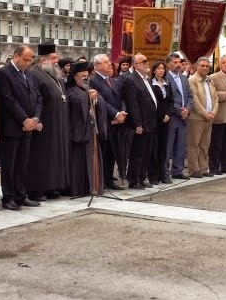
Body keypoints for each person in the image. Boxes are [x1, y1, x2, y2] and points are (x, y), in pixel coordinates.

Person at [0, 45, 41, 210]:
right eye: (25, 60)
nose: (27, 63)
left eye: (30, 61)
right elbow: (8, 99)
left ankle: (21, 195)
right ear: (16, 56)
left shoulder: (29, 73)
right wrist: (24, 120)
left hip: (28, 126)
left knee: (23, 163)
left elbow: (37, 97)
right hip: (12, 126)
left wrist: (35, 118)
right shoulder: (4, 73)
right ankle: (8, 198)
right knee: (9, 164)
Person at [27, 44, 70, 198]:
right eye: (54, 58)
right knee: (41, 158)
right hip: (44, 124)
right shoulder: (35, 74)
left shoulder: (54, 75)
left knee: (55, 156)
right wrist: (36, 119)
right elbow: (34, 100)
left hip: (57, 123)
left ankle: (52, 186)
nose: (56, 61)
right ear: (43, 60)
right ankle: (37, 189)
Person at [88, 54, 127, 190]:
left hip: (117, 122)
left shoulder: (114, 81)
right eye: (105, 62)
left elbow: (122, 98)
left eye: (109, 62)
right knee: (103, 153)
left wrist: (122, 113)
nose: (110, 64)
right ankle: (102, 181)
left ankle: (110, 179)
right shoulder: (93, 81)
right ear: (97, 66)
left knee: (112, 153)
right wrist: (115, 114)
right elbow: (101, 100)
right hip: (105, 122)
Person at [123, 53, 159, 189]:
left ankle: (141, 177)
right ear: (136, 65)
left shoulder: (147, 79)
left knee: (146, 153)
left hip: (150, 123)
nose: (146, 63)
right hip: (141, 124)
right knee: (137, 153)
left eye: (147, 60)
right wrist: (138, 124)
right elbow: (133, 105)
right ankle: (133, 180)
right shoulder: (131, 80)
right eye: (143, 61)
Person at [65, 61, 101, 196]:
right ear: (75, 77)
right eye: (83, 76)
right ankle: (76, 188)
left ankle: (90, 186)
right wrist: (87, 97)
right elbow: (74, 102)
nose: (86, 79)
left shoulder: (86, 89)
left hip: (89, 130)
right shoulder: (70, 90)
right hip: (76, 132)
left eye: (87, 76)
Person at [187, 58, 216, 178]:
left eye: (207, 66)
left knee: (205, 145)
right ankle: (194, 169)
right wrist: (205, 113)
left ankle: (204, 168)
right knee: (194, 144)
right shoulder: (192, 80)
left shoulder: (210, 80)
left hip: (209, 117)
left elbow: (216, 98)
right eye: (202, 66)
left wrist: (213, 113)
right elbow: (194, 100)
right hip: (196, 117)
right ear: (196, 66)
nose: (205, 68)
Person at [165, 53, 192, 180]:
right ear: (168, 64)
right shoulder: (165, 78)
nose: (178, 65)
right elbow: (167, 99)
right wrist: (178, 110)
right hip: (171, 117)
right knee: (168, 145)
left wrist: (187, 108)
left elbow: (190, 96)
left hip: (184, 117)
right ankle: (165, 170)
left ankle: (177, 170)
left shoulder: (184, 78)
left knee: (181, 145)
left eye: (179, 63)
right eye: (175, 63)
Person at [148, 60, 173, 184]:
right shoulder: (150, 83)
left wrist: (168, 114)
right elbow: (151, 102)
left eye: (163, 68)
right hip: (155, 119)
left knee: (163, 148)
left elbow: (170, 101)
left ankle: (162, 174)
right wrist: (161, 115)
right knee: (154, 148)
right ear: (154, 70)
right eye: (158, 68)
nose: (161, 70)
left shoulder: (167, 83)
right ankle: (152, 175)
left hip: (166, 120)